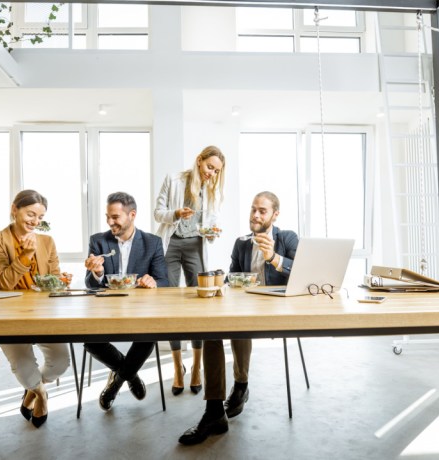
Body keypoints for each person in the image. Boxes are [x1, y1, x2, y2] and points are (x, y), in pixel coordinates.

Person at [179, 191, 299, 445]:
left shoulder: (287, 238)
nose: (255, 215)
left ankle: (241, 385)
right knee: (212, 329)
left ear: (275, 215)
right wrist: (221, 282)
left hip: (279, 308)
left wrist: (274, 258)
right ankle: (214, 411)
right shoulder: (241, 243)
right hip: (247, 306)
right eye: (253, 209)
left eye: (262, 211)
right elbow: (233, 278)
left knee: (240, 322)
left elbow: (301, 273)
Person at [0, 189, 71, 429]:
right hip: (8, 315)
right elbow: (2, 283)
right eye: (30, 214)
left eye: (40, 217)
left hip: (43, 313)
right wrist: (24, 256)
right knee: (23, 366)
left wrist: (61, 281)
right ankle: (41, 395)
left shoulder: (47, 241)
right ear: (15, 209)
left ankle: (31, 392)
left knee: (61, 362)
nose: (35, 221)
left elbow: (53, 279)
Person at [84, 191, 170, 411]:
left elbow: (164, 281)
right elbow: (91, 285)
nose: (110, 222)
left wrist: (154, 282)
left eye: (115, 217)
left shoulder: (152, 242)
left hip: (140, 310)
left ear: (132, 215)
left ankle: (115, 384)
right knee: (89, 340)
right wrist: (98, 272)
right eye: (108, 217)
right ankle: (129, 375)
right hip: (105, 310)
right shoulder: (98, 241)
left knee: (149, 336)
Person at [154, 145, 226, 396]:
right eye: (210, 167)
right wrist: (176, 213)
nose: (212, 174)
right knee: (170, 303)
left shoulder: (212, 190)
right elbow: (157, 213)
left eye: (216, 171)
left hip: (196, 245)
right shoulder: (173, 180)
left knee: (199, 303)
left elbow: (213, 221)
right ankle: (177, 367)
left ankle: (196, 366)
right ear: (199, 161)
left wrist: (213, 231)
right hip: (171, 245)